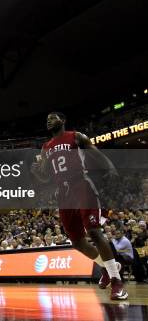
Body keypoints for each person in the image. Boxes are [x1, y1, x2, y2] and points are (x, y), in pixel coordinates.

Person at [32, 112, 127, 300]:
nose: (49, 119)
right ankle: (109, 267)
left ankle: (116, 281)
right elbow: (45, 176)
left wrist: (110, 167)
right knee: (76, 242)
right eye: (47, 118)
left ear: (63, 120)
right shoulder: (45, 147)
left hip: (81, 184)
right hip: (63, 193)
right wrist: (37, 173)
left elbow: (96, 152)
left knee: (93, 232)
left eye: (53, 117)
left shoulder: (76, 136)